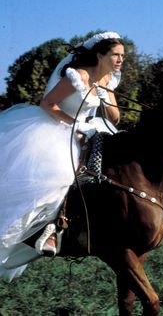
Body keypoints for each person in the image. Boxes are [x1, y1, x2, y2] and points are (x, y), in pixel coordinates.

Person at [0, 31, 125, 281]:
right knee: (63, 172)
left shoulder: (108, 78)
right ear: (100, 55)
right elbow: (47, 104)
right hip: (57, 127)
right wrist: (75, 124)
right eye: (116, 55)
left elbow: (115, 119)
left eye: (123, 56)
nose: (121, 60)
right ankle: (50, 229)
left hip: (90, 128)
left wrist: (106, 98)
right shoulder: (77, 75)